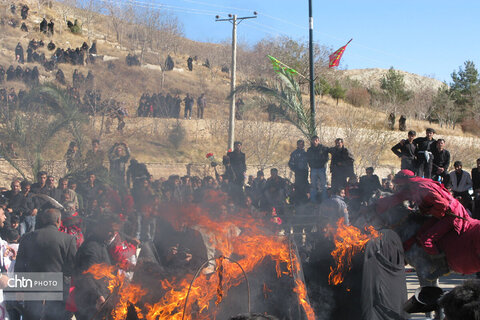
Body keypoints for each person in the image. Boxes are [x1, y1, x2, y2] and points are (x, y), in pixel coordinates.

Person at [375, 169, 472, 257]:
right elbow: (396, 198)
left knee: (426, 240)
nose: (399, 187)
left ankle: (440, 262)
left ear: (406, 183)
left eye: (400, 184)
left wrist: (425, 211)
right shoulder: (412, 188)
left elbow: (443, 205)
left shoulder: (422, 187)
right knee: (419, 233)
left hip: (451, 214)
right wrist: (375, 205)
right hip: (441, 214)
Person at [15, 209, 77, 320]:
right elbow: (72, 267)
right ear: (59, 220)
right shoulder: (68, 240)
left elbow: (19, 266)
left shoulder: (27, 237)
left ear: (43, 220)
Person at [74, 215, 119, 320]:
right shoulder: (92, 248)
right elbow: (86, 275)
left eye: (115, 232)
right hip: (90, 304)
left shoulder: (101, 245)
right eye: (110, 230)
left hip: (98, 301)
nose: (112, 234)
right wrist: (98, 296)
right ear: (100, 227)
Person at [306, 135, 329, 203]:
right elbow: (308, 159)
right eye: (313, 140)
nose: (315, 142)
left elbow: (326, 158)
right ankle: (313, 201)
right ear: (312, 141)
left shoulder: (323, 148)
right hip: (313, 169)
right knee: (313, 185)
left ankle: (324, 200)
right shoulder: (310, 149)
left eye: (316, 140)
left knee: (324, 185)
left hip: (321, 168)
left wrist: (322, 164)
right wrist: (311, 165)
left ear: (318, 140)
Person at [288, 139, 309, 204]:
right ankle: (298, 201)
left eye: (302, 144)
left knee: (305, 186)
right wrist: (296, 169)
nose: (301, 145)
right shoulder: (294, 153)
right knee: (298, 186)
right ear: (297, 145)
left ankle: (305, 201)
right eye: (300, 144)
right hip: (298, 173)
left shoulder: (306, 153)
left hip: (305, 172)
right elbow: (290, 163)